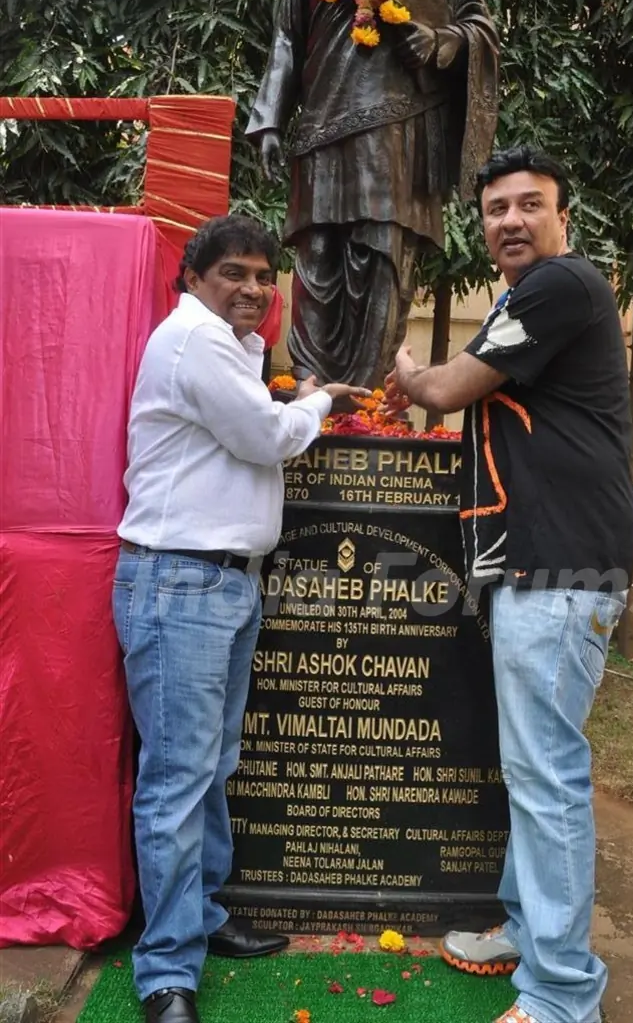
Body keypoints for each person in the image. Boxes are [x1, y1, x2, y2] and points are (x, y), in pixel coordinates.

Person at [383, 148, 633, 1023]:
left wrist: (409, 371)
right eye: (496, 209)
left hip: (563, 565)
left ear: (563, 215)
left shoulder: (560, 286)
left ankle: (564, 993)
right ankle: (529, 931)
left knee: (547, 775)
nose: (512, 221)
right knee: (531, 768)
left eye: (531, 204)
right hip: (535, 564)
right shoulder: (524, 297)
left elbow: (451, 388)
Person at [113, 214, 367, 1023]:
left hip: (222, 584)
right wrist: (320, 399)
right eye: (234, 273)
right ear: (193, 277)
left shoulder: (230, 346)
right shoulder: (193, 341)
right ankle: (164, 972)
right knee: (179, 782)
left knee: (212, 766)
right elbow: (264, 436)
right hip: (178, 582)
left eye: (264, 274)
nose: (254, 288)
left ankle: (203, 918)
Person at [246, 0, 499, 387]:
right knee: (315, 264)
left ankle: (362, 399)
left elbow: (479, 27)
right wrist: (268, 118)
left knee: (381, 258)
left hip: (398, 131)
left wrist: (441, 42)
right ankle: (313, 393)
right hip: (319, 130)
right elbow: (287, 37)